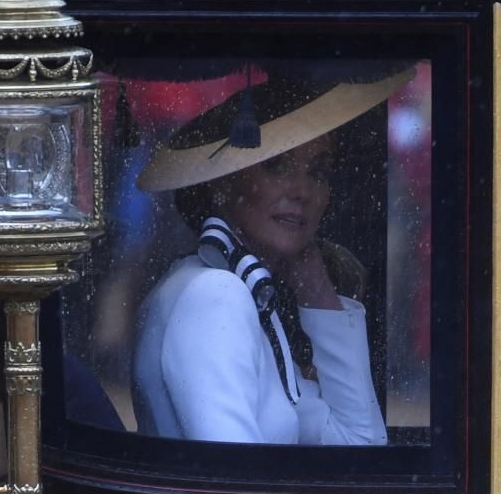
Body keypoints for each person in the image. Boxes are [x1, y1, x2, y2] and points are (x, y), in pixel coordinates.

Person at [131, 70, 407, 445]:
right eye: (276, 165)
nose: (302, 191)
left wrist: (318, 292)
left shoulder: (250, 297)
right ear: (222, 181)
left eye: (318, 172)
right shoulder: (214, 293)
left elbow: (358, 444)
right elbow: (233, 484)